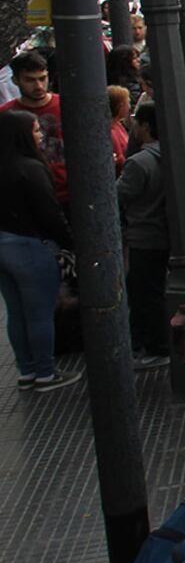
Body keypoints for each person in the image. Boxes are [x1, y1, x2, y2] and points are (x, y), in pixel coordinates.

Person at [0, 110, 77, 392]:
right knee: (40, 312)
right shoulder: (30, 169)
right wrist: (70, 242)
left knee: (17, 312)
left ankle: (27, 371)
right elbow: (49, 213)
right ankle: (46, 372)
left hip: (4, 246)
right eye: (35, 130)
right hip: (31, 246)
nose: (40, 135)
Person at [118, 102, 171, 370]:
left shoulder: (139, 162)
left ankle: (156, 345)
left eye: (137, 122)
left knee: (146, 294)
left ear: (146, 127)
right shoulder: (172, 155)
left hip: (144, 236)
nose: (133, 126)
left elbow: (119, 195)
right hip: (163, 235)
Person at [2, 51, 67, 205]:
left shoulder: (67, 106)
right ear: (15, 80)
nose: (38, 86)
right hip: (28, 197)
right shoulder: (6, 115)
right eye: (29, 80)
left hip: (71, 192)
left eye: (42, 78)